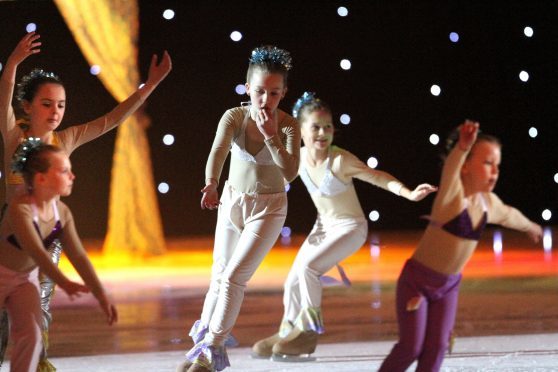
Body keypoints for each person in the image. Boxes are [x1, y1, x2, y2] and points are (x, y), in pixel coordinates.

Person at [0, 31, 171, 370]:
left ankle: (37, 362)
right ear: (28, 106)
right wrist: (15, 61)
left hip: (47, 237)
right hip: (9, 240)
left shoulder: (67, 139)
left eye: (61, 105)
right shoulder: (13, 136)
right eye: (47, 104)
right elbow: (4, 92)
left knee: (38, 310)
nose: (55, 111)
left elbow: (113, 119)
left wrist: (149, 85)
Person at [251, 92, 437, 361]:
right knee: (293, 279)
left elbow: (377, 176)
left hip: (350, 228)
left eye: (328, 127)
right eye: (315, 127)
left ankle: (308, 331)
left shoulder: (340, 160)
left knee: (308, 270)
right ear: (301, 130)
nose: (323, 133)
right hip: (323, 228)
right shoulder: (298, 158)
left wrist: (407, 193)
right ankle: (288, 331)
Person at [378, 121, 543, 372]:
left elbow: (510, 215)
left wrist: (530, 226)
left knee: (437, 347)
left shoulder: (489, 203)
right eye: (488, 163)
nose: (495, 171)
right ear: (466, 166)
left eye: (497, 165)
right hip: (417, 283)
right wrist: (462, 148)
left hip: (448, 287)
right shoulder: (451, 197)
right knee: (411, 347)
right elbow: (450, 170)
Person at [176, 45, 300, 372]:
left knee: (233, 279)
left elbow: (290, 173)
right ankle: (199, 348)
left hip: (269, 209)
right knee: (218, 275)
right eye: (260, 91)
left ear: (283, 93)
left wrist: (272, 138)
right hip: (231, 201)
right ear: (248, 88)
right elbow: (218, 150)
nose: (265, 99)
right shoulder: (234, 116)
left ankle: (211, 351)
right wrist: (211, 182)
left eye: (274, 93)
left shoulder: (287, 126)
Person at [0, 138, 117, 371]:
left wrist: (101, 294)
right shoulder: (19, 208)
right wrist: (64, 282)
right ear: (41, 179)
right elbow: (36, 250)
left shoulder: (61, 212)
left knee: (32, 336)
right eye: (64, 171)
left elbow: (79, 256)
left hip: (24, 280)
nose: (72, 176)